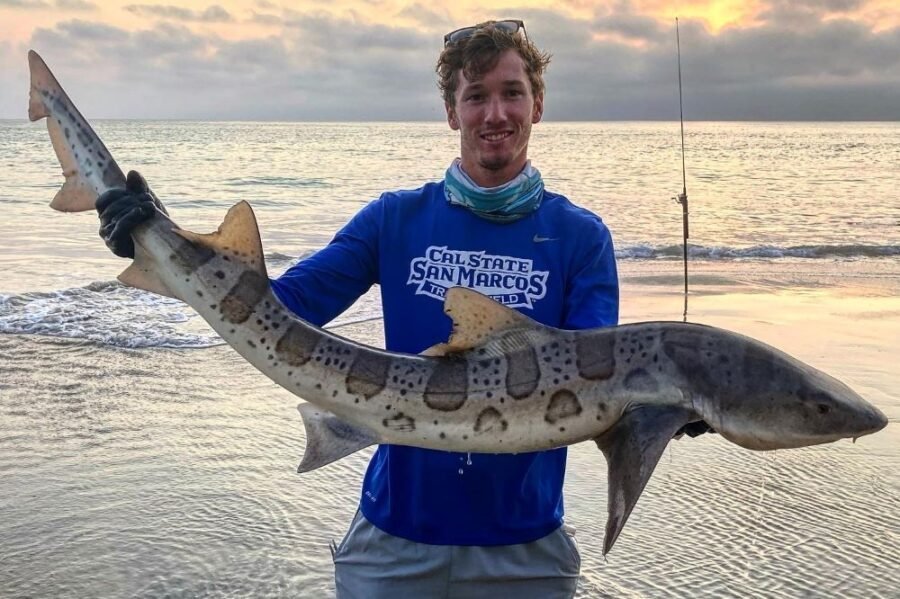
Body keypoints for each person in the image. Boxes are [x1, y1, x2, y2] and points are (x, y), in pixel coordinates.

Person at [97, 20, 619, 598]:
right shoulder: (395, 219)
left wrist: (669, 402)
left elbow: (600, 375)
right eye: (476, 97)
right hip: (392, 545)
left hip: (526, 554)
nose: (495, 114)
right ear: (452, 112)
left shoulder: (581, 237)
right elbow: (282, 309)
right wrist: (158, 238)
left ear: (537, 103)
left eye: (511, 93)